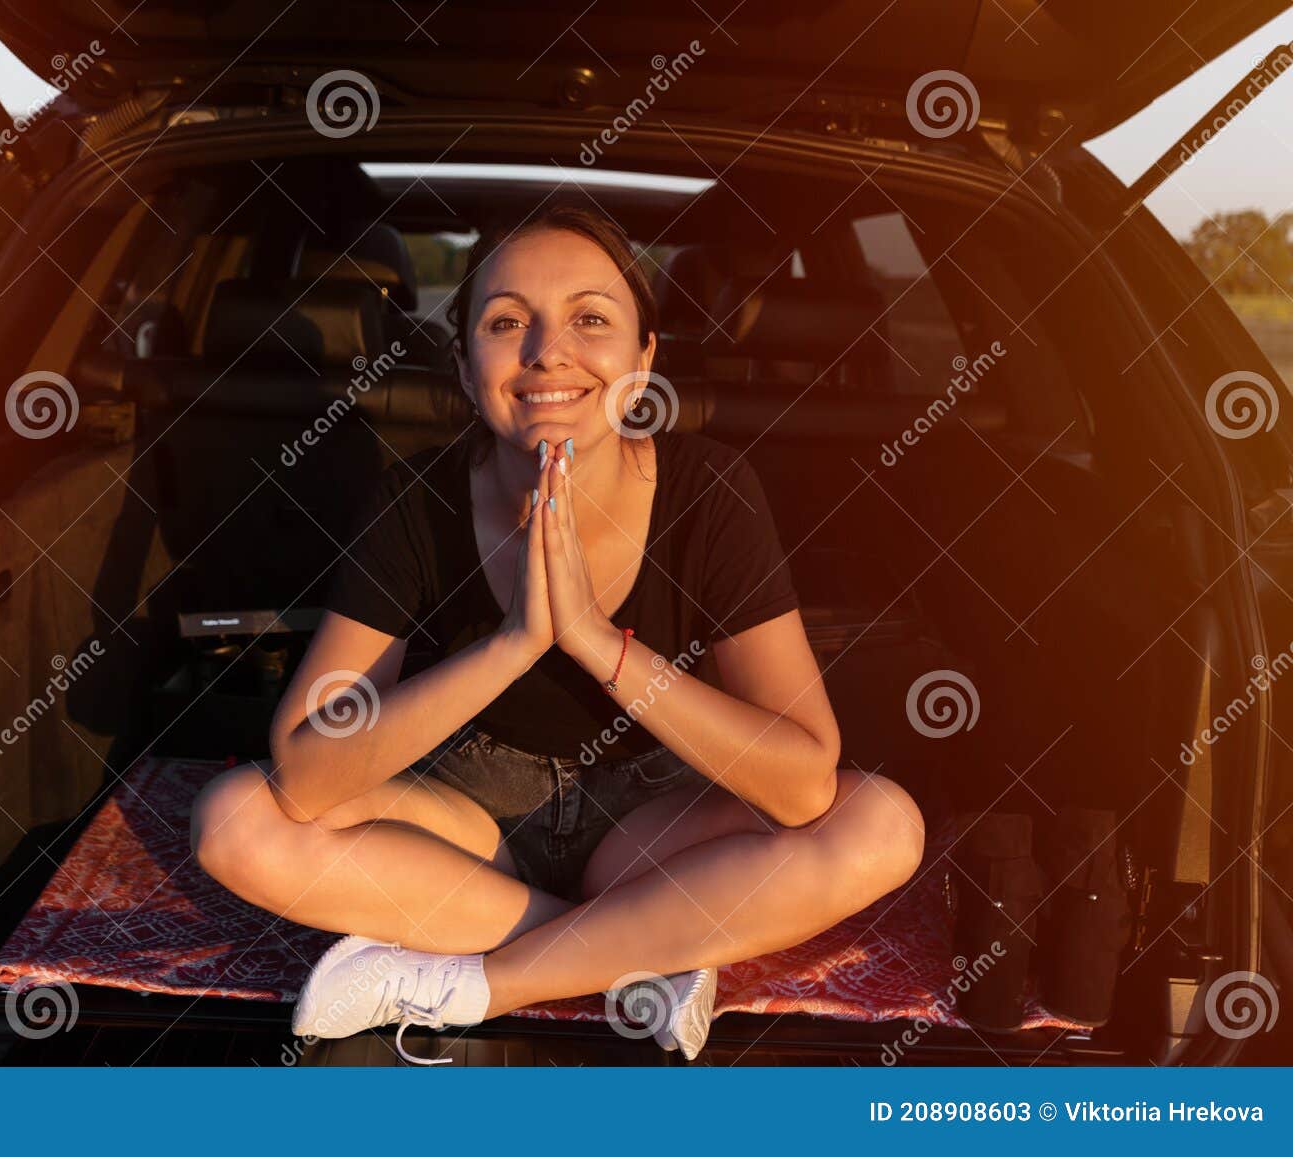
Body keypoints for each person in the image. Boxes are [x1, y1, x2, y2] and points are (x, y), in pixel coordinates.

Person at [190, 203, 925, 1063]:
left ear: (643, 359)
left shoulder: (712, 488)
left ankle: (474, 982)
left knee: (881, 823)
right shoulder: (414, 498)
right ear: (465, 369)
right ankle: (638, 948)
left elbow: (803, 784)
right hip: (467, 836)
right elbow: (305, 777)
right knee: (232, 820)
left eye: (591, 318)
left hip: (649, 832)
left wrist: (595, 642)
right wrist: (513, 643)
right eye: (506, 323)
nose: (548, 352)